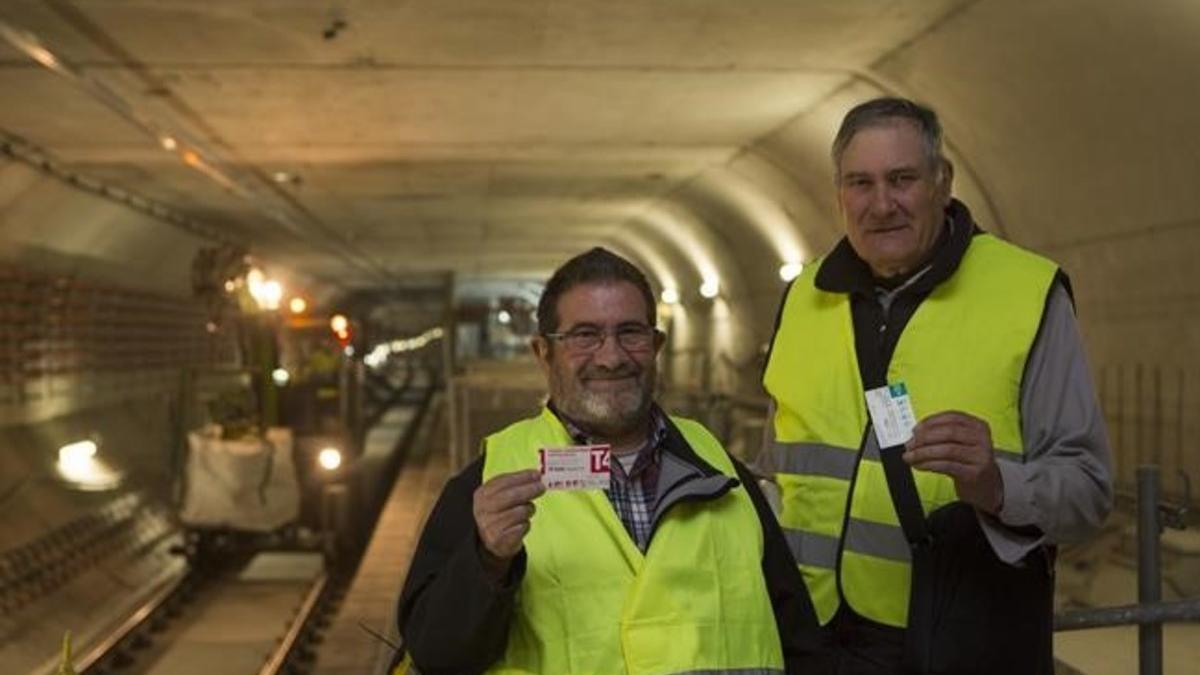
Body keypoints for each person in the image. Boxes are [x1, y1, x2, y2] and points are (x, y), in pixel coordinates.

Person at [759, 97, 1113, 673]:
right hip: (810, 638)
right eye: (860, 183)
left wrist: (998, 484)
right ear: (839, 194)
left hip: (954, 640)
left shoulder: (1026, 295)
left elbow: (1088, 491)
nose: (881, 205)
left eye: (902, 179)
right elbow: (778, 468)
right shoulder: (803, 297)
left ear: (942, 182)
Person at [398, 247, 825, 674]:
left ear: (656, 345)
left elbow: (799, 641)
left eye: (631, 333)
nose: (611, 357)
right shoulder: (488, 485)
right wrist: (486, 562)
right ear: (543, 353)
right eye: (585, 335)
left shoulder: (724, 474)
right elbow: (437, 657)